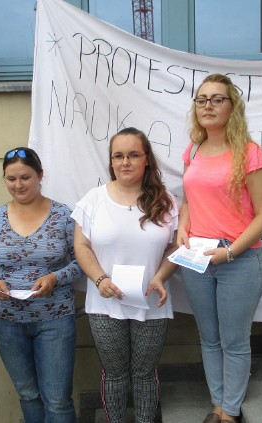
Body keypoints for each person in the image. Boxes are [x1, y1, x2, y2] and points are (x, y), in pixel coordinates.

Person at [177, 73, 262, 423]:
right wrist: (182, 226)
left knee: (234, 340)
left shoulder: (250, 153)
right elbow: (190, 199)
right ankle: (216, 405)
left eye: (217, 99)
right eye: (201, 99)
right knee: (209, 338)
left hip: (239, 259)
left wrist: (230, 252)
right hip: (198, 258)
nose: (207, 105)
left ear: (232, 107)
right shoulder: (193, 149)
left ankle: (229, 412)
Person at [72, 127, 179, 423]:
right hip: (105, 303)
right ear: (111, 161)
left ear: (147, 160)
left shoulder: (165, 201)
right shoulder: (93, 200)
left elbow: (175, 248)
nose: (125, 162)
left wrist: (162, 276)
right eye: (118, 156)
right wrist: (99, 279)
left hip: (152, 302)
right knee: (115, 373)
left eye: (133, 155)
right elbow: (81, 245)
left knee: (144, 374)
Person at [0, 147, 83, 423]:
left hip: (55, 320)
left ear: (40, 176)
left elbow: (82, 262)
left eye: (25, 177)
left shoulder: (63, 216)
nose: (18, 185)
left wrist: (55, 277)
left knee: (57, 401)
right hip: (7, 322)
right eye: (11, 179)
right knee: (28, 395)